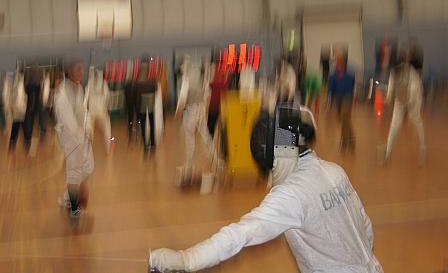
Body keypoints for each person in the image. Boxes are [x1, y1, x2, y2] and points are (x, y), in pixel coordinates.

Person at [149, 106, 383, 273]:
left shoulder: (291, 195)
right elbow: (366, 227)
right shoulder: (335, 171)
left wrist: (186, 260)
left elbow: (240, 235)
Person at [54, 60, 94, 219]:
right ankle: (74, 210)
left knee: (88, 167)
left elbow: (83, 110)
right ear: (69, 71)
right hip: (69, 138)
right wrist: (80, 136)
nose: (82, 72)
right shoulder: (61, 94)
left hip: (82, 136)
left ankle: (67, 199)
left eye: (82, 69)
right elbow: (68, 121)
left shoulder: (79, 88)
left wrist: (88, 126)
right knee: (74, 172)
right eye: (78, 69)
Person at [384, 51, 426, 163]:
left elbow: (414, 90)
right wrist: (388, 98)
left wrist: (409, 104)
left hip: (415, 100)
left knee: (416, 122)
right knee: (394, 125)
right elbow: (391, 88)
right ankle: (388, 153)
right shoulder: (393, 73)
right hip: (400, 100)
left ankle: (422, 147)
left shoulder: (411, 73)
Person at [176, 57, 215, 173]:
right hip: (200, 108)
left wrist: (178, 113)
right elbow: (207, 92)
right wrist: (204, 107)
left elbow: (183, 97)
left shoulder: (185, 78)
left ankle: (189, 165)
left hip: (191, 110)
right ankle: (216, 159)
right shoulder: (198, 76)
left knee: (190, 138)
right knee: (205, 135)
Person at [327, 55, 356, 151]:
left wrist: (353, 100)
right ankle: (351, 140)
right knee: (345, 121)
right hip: (338, 100)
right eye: (337, 63)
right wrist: (329, 105)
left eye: (340, 63)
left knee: (344, 118)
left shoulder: (350, 76)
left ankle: (344, 142)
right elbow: (330, 91)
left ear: (343, 64)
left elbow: (352, 89)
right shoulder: (333, 76)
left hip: (347, 99)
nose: (338, 65)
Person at [134, 62, 158, 152]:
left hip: (141, 104)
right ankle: (153, 143)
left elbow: (136, 95)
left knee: (143, 125)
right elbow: (156, 89)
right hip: (150, 102)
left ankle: (145, 145)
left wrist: (137, 108)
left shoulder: (138, 83)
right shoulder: (152, 81)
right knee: (152, 124)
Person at [8, 70, 29, 153]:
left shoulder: (25, 87)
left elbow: (26, 99)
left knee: (24, 130)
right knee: (15, 130)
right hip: (17, 111)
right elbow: (12, 99)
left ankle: (26, 146)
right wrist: (11, 108)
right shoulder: (16, 87)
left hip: (23, 111)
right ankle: (12, 147)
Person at [208, 67, 229, 138]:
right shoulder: (225, 85)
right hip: (221, 107)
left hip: (213, 107)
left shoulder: (214, 84)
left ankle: (211, 138)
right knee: (221, 126)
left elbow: (209, 84)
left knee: (211, 126)